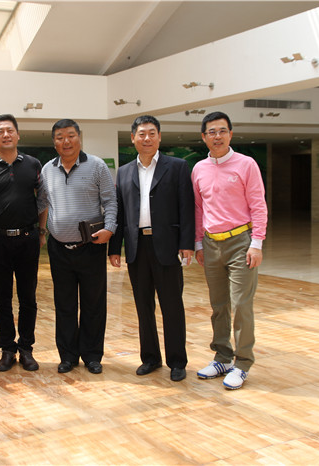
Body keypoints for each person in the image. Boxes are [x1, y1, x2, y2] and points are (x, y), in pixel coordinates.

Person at [108, 115, 194, 382]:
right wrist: (115, 247)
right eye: (142, 134)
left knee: (172, 306)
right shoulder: (124, 171)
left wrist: (186, 244)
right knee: (143, 306)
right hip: (137, 247)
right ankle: (150, 358)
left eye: (152, 133)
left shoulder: (177, 167)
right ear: (133, 138)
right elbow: (120, 212)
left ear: (159, 137)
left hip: (167, 246)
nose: (147, 138)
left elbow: (186, 207)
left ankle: (177, 361)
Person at [191, 111, 268, 390]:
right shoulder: (199, 169)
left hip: (240, 243)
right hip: (211, 244)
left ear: (231, 134)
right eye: (212, 132)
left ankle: (243, 362)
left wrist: (256, 243)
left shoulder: (246, 164)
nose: (217, 136)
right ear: (204, 137)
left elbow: (258, 204)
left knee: (241, 305)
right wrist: (199, 242)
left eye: (222, 131)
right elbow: (199, 209)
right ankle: (222, 357)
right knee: (219, 305)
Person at [39, 119, 117, 375]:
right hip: (59, 249)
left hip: (91, 247)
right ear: (54, 142)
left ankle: (92, 356)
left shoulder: (97, 166)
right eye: (60, 137)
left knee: (94, 304)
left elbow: (110, 201)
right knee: (64, 305)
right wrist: (41, 231)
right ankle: (68, 356)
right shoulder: (47, 170)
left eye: (71, 135)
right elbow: (42, 203)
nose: (66, 141)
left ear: (79, 138)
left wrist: (110, 228)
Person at [0, 114, 46, 372]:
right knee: (1, 299)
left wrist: (42, 231)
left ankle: (26, 349)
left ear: (18, 134)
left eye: (10, 130)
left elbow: (42, 200)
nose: (6, 135)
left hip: (27, 240)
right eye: (0, 131)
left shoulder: (33, 164)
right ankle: (7, 349)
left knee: (28, 298)